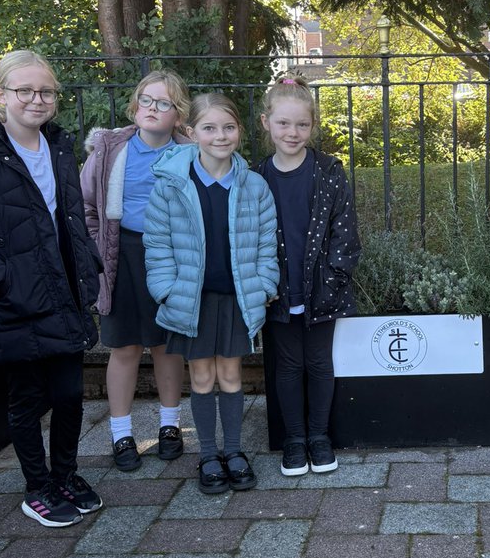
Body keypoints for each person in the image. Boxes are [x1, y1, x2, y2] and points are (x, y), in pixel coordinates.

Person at [0, 50, 102, 525]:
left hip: (64, 291)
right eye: (25, 90)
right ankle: (37, 487)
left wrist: (88, 263)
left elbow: (70, 216)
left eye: (46, 91)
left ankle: (65, 475)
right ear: (1, 94)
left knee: (69, 394)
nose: (36, 100)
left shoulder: (58, 146)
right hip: (14, 298)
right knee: (27, 399)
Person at [144, 93, 279, 494]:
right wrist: (166, 290)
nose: (220, 136)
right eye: (209, 128)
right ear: (191, 132)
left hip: (236, 298)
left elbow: (267, 244)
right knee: (202, 376)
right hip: (192, 299)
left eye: (228, 127)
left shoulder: (254, 185)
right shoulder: (171, 185)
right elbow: (158, 243)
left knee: (231, 374)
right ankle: (208, 455)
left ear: (239, 131)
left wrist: (265, 284)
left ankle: (234, 451)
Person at [81, 71, 191, 471]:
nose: (152, 108)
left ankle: (170, 425)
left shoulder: (190, 153)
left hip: (170, 256)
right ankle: (121, 432)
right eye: (146, 99)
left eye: (163, 103)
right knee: (124, 346)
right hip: (120, 254)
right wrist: (98, 247)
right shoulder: (109, 150)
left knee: (166, 344)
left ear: (178, 114)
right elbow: (86, 206)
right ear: (135, 104)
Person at [256, 74, 361, 477]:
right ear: (266, 122)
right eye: (283, 123)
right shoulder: (256, 177)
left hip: (322, 288)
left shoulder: (329, 171)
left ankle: (319, 436)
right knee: (287, 365)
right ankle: (294, 439)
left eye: (302, 124)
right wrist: (262, 285)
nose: (292, 132)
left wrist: (332, 279)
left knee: (319, 363)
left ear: (313, 125)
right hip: (276, 290)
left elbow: (345, 232)